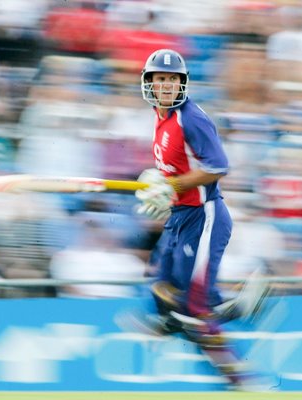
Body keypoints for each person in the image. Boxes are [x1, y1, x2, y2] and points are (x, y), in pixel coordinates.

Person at [120, 48, 270, 390]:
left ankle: (240, 378)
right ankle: (231, 309)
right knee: (161, 287)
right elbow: (176, 172)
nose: (168, 85)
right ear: (149, 83)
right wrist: (159, 186)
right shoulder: (160, 119)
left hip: (204, 218)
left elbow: (217, 167)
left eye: (174, 79)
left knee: (195, 311)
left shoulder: (191, 117)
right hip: (180, 217)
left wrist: (169, 185)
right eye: (161, 79)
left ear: (182, 83)